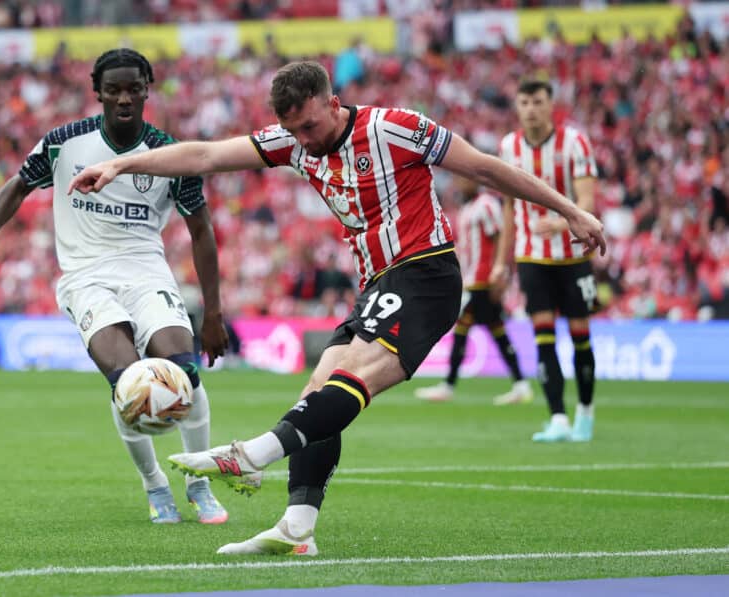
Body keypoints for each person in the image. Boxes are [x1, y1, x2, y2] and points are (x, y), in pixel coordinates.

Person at [69, 61, 605, 555]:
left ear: (333, 102)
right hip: (377, 285)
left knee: (349, 377)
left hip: (427, 272)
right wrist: (123, 164)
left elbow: (487, 168)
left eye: (310, 127)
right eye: (294, 132)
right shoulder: (293, 142)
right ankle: (297, 528)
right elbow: (206, 155)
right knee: (317, 388)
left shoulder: (395, 127)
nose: (304, 141)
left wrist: (570, 210)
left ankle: (252, 454)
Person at [0, 49, 231, 525]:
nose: (124, 98)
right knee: (127, 381)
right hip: (86, 277)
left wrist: (212, 314)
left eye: (133, 88)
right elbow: (19, 185)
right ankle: (155, 488)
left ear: (148, 88)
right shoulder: (65, 142)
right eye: (114, 90)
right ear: (98, 92)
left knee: (184, 370)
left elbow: (201, 231)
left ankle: (199, 482)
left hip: (147, 271)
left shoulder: (169, 154)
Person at [489, 78, 599, 443]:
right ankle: (557, 418)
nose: (531, 109)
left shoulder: (575, 143)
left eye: (537, 101)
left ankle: (585, 411)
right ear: (517, 107)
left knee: (581, 338)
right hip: (531, 257)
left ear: (551, 105)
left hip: (572, 256)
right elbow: (508, 207)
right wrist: (502, 262)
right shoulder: (508, 146)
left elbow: (587, 199)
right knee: (544, 339)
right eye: (524, 102)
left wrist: (564, 219)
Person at [415, 175, 532, 405]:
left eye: (463, 180)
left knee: (462, 330)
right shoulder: (468, 208)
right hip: (472, 279)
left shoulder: (486, 205)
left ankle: (449, 385)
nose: (459, 183)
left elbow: (500, 238)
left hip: (484, 280)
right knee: (497, 332)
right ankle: (521, 384)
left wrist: (501, 274)